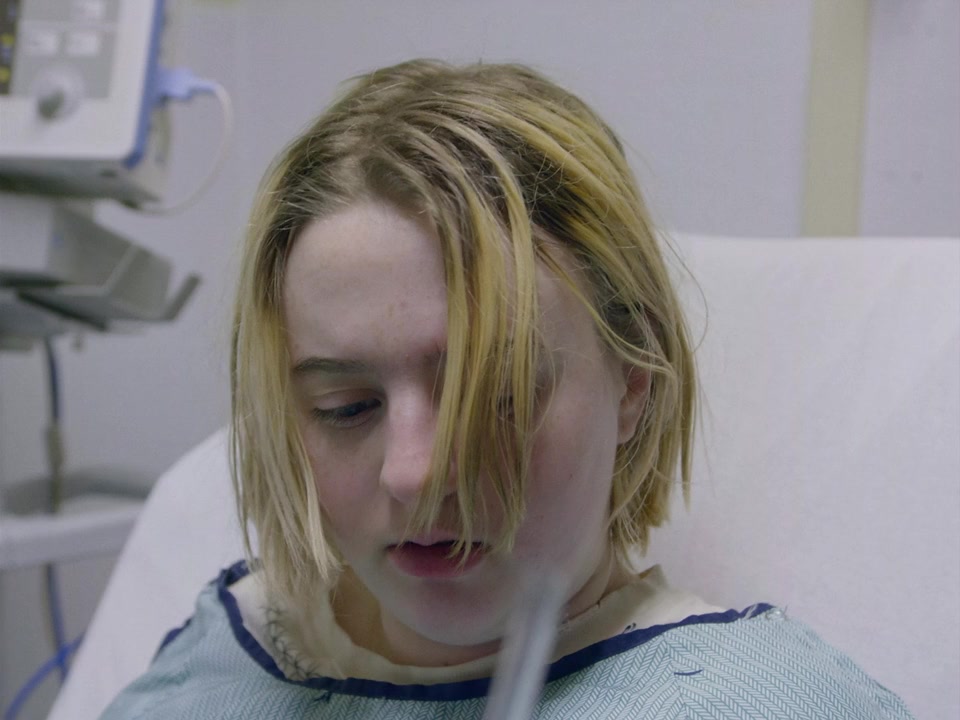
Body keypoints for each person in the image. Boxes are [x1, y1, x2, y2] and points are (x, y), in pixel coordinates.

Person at [101, 59, 913, 719]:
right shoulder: (233, 658)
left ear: (633, 380)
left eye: (494, 395)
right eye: (345, 408)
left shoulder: (755, 703)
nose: (414, 473)